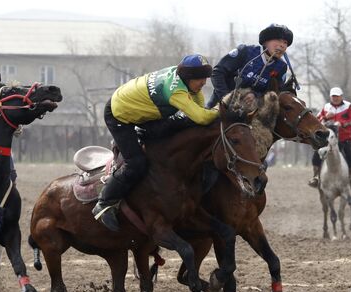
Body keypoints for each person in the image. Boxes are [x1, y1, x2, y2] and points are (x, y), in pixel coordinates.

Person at [92, 54, 219, 232]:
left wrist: (208, 112)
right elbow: (201, 116)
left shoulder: (185, 80)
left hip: (142, 112)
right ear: (188, 78)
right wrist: (221, 110)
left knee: (179, 126)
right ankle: (104, 203)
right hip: (119, 116)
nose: (204, 82)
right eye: (201, 78)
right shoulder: (176, 90)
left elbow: (199, 110)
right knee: (136, 163)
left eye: (206, 78)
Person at [206, 24, 293, 110]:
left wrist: (256, 96)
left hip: (251, 113)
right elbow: (217, 73)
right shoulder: (245, 52)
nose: (282, 45)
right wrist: (226, 99)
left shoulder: (281, 67)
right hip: (221, 106)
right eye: (278, 40)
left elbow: (274, 94)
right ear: (266, 41)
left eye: (285, 42)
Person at [308, 87, 351, 189]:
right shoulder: (326, 107)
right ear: (330, 97)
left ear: (341, 96)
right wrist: (326, 117)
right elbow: (318, 120)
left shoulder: (348, 106)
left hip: (344, 138)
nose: (335, 98)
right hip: (327, 140)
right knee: (316, 156)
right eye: (333, 96)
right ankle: (316, 177)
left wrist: (343, 124)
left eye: (337, 96)